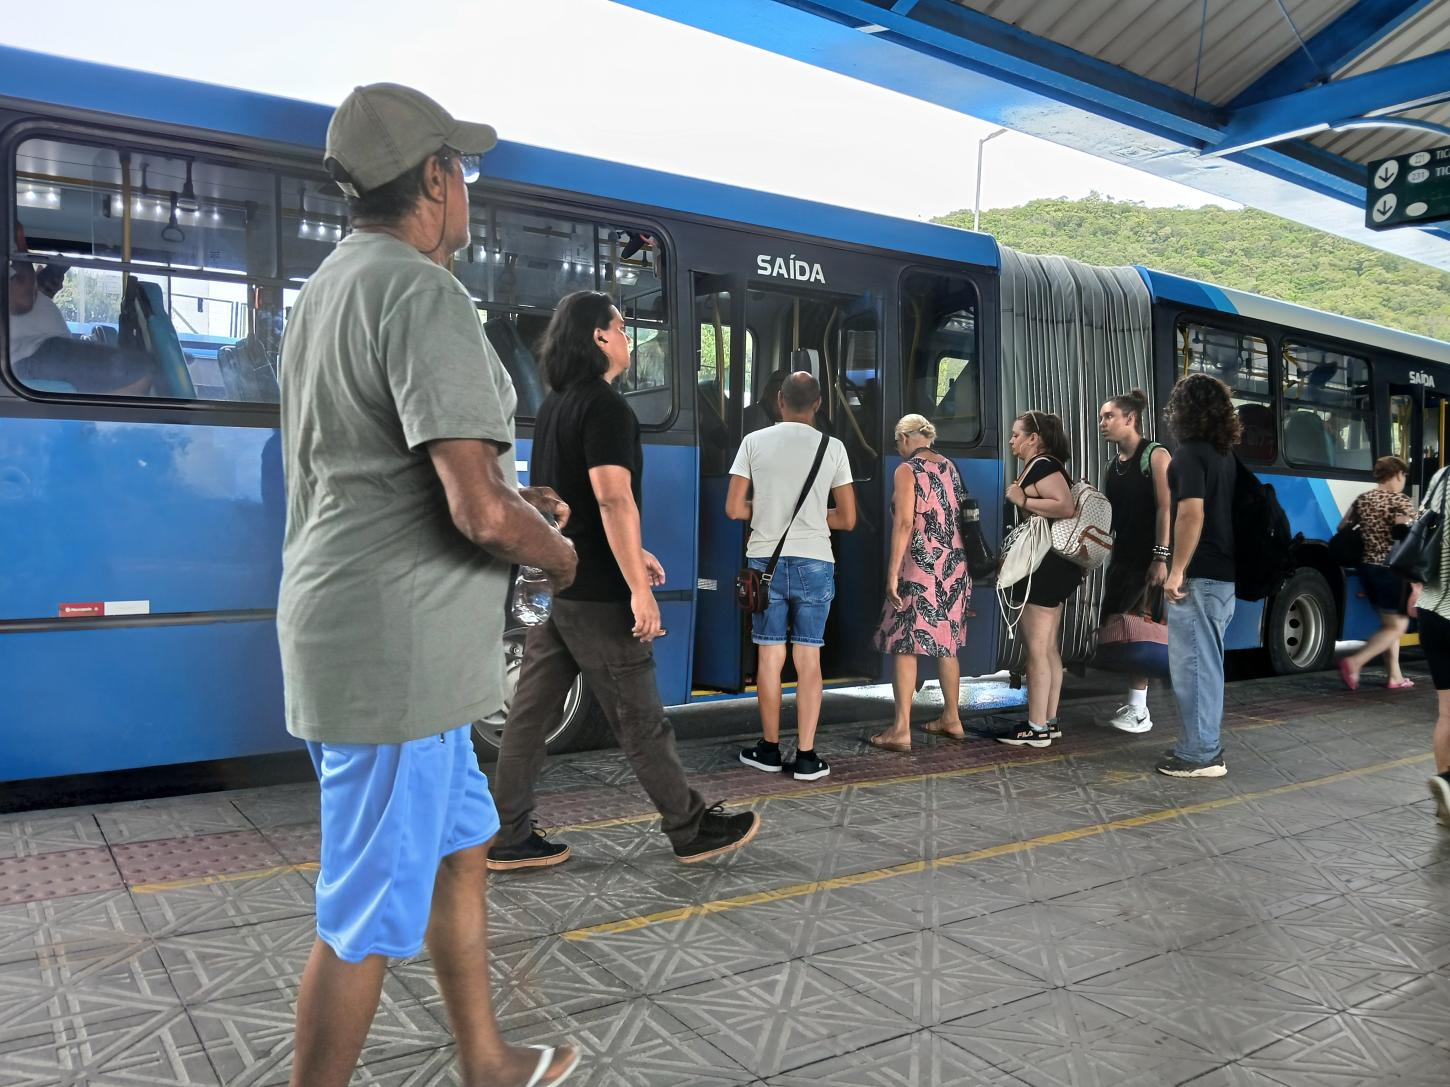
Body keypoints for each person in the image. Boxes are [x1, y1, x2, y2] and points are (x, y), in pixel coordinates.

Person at [277, 84, 581, 1087]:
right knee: (363, 914)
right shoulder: (422, 291)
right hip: (395, 659)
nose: (470, 191)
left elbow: (393, 466)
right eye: (467, 170)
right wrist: (559, 553)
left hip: (379, 640)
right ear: (439, 177)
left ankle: (486, 1059)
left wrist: (517, 499)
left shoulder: (331, 286)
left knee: (462, 845)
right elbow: (478, 512)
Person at [490, 290, 760, 869]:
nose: (628, 338)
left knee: (529, 715)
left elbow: (573, 503)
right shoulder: (606, 408)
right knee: (640, 719)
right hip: (598, 593)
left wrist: (635, 550)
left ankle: (507, 835)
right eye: (621, 327)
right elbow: (612, 500)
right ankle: (690, 827)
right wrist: (638, 587)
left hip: (558, 581)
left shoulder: (557, 404)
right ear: (599, 337)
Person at [729, 371, 856, 780]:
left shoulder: (753, 442)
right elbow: (848, 518)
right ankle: (806, 757)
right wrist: (813, 516)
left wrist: (770, 511)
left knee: (769, 656)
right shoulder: (833, 447)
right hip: (815, 562)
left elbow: (734, 508)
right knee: (808, 656)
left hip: (764, 563)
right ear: (818, 404)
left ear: (779, 400)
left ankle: (768, 750)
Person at [868, 414, 971, 751]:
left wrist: (892, 573)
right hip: (953, 566)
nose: (898, 448)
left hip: (920, 567)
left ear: (905, 438)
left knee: (905, 642)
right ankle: (952, 717)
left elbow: (904, 523)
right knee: (946, 641)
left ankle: (901, 729)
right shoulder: (950, 467)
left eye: (897, 442)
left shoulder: (907, 470)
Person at [1157, 373, 1238, 779]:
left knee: (1194, 670)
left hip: (1199, 578)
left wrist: (1176, 571)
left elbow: (1191, 513)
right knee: (1207, 667)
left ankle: (1202, 754)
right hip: (1223, 578)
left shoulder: (1189, 454)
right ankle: (1202, 746)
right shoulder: (1224, 455)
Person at [998, 410, 1081, 747]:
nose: (1011, 441)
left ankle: (1035, 728)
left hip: (1045, 568)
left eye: (1017, 434)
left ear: (1034, 438)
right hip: (1056, 567)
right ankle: (1048, 721)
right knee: (1048, 648)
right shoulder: (1048, 464)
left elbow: (1065, 506)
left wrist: (1023, 499)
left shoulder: (1042, 465)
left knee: (1036, 649)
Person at [1098, 389, 1172, 733]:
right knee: (1124, 629)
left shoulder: (1155, 455)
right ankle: (1134, 703)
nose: (1103, 423)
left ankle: (1140, 711)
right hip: (1122, 558)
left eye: (1109, 416)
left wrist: (1161, 557)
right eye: (1101, 417)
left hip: (1149, 558)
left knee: (1143, 627)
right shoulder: (1113, 465)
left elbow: (1166, 508)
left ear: (1131, 418)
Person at [1338, 455, 1415, 690]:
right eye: (1403, 475)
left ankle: (1394, 676)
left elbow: (1342, 527)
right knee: (1397, 626)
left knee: (1389, 623)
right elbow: (1405, 532)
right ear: (1398, 474)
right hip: (1389, 570)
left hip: (1366, 569)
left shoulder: (1363, 499)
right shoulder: (1400, 501)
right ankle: (1354, 662)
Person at [1404, 465, 1450, 828]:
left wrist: (1416, 589)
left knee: (1447, 713)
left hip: (1433, 611)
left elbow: (1420, 529)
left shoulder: (1443, 477)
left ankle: (1446, 793)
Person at [8, 224, 71, 364]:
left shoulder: (44, 308)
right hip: (29, 362)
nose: (57, 284)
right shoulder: (19, 288)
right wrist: (20, 241)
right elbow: (23, 298)